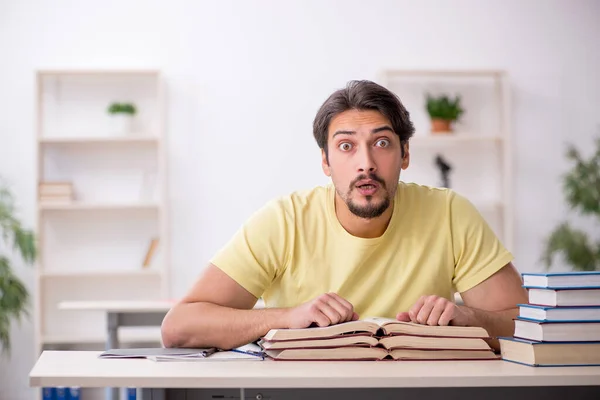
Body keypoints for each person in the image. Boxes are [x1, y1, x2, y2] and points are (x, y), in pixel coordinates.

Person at [161, 80, 528, 352]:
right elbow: (179, 327)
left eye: (382, 143)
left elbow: (531, 326)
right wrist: (284, 318)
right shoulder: (284, 221)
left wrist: (470, 320)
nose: (365, 164)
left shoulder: (450, 214)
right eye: (346, 146)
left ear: (405, 155)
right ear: (325, 161)